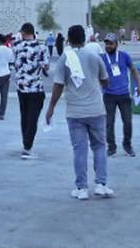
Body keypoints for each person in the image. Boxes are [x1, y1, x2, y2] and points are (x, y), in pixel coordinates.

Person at [45, 24, 112, 199]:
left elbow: (58, 85)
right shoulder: (95, 56)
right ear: (84, 38)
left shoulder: (64, 58)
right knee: (99, 146)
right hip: (96, 109)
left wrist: (51, 107)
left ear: (68, 38)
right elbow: (105, 80)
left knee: (79, 149)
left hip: (75, 111)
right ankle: (101, 184)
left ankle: (81, 188)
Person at [12, 22, 50, 160]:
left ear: (23, 32)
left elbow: (14, 63)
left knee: (25, 117)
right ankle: (27, 148)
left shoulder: (15, 46)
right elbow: (46, 66)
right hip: (35, 87)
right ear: (33, 32)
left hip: (21, 87)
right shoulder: (41, 46)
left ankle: (25, 144)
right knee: (33, 119)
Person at [101, 32, 140, 158]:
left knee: (128, 122)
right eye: (107, 43)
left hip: (124, 94)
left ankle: (127, 145)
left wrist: (139, 85)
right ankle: (111, 147)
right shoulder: (101, 58)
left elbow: (133, 70)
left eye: (111, 43)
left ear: (116, 44)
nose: (108, 46)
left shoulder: (124, 56)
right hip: (109, 95)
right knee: (109, 122)